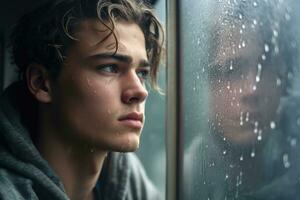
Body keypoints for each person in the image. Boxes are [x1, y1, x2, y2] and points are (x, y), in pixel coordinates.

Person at [0, 0, 164, 199]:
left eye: (142, 73)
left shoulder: (130, 182)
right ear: (42, 83)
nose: (140, 91)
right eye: (109, 67)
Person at [184, 0, 300, 199]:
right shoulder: (186, 176)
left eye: (266, 67)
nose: (252, 89)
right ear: (207, 85)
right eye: (233, 70)